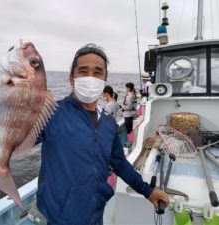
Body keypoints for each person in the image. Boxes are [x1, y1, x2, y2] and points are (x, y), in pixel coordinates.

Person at [35, 43, 169, 225]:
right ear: (71, 78)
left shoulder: (108, 122)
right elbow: (18, 138)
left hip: (95, 214)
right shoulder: (50, 113)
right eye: (83, 71)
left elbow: (119, 163)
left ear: (104, 80)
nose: (90, 77)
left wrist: (148, 191)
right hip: (60, 218)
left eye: (97, 72)